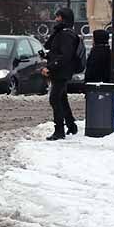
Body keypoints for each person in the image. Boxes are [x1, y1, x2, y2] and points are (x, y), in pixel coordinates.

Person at [42, 7, 79, 141]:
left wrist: (50, 67)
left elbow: (65, 56)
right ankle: (71, 125)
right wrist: (47, 56)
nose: (56, 19)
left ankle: (59, 131)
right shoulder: (61, 33)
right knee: (62, 99)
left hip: (61, 72)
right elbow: (58, 53)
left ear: (65, 19)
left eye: (59, 17)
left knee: (54, 99)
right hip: (60, 72)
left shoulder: (66, 34)